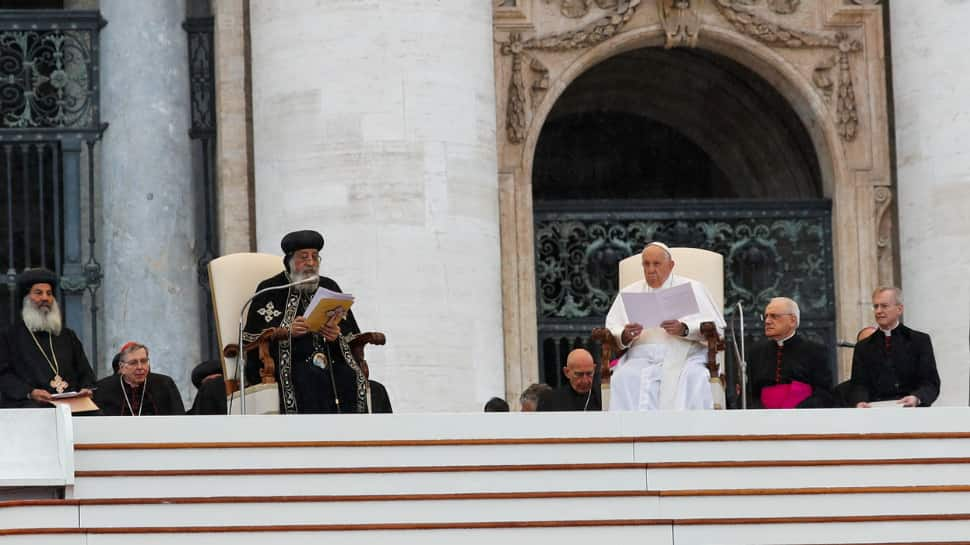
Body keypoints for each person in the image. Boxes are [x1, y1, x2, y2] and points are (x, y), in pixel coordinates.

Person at [243, 230, 367, 414]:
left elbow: (351, 333)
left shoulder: (329, 286)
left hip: (330, 361)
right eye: (304, 257)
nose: (311, 263)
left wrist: (336, 335)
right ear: (290, 261)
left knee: (364, 383)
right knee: (309, 377)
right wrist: (286, 331)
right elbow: (249, 337)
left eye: (315, 257)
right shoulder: (270, 289)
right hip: (289, 364)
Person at [605, 242, 725, 411]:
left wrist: (684, 329)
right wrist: (625, 335)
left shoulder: (692, 288)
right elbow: (611, 329)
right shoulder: (629, 292)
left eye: (656, 264)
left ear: (671, 265)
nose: (651, 269)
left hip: (686, 354)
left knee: (696, 377)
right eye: (646, 264)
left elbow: (716, 327)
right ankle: (632, 434)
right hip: (641, 357)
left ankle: (691, 433)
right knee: (622, 378)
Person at [0, 268, 95, 408]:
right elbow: (4, 375)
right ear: (26, 298)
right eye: (38, 293)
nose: (45, 298)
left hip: (70, 404)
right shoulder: (9, 336)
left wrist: (86, 388)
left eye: (49, 293)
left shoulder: (67, 336)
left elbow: (85, 372)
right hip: (29, 404)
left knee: (96, 414)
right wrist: (30, 392)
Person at [849, 287, 940, 407]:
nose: (878, 311)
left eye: (884, 306)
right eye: (876, 306)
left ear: (899, 309)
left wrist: (917, 397)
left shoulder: (919, 341)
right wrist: (860, 401)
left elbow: (930, 383)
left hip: (913, 413)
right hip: (875, 413)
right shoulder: (863, 347)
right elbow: (858, 385)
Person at [746, 297, 833, 409]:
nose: (767, 321)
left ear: (792, 320)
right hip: (764, 419)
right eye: (766, 316)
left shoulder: (815, 351)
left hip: (803, 418)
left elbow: (824, 393)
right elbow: (749, 393)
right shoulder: (756, 352)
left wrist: (796, 411)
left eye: (774, 316)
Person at [94, 342, 185, 416]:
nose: (140, 367)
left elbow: (179, 417)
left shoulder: (164, 384)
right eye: (133, 363)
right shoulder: (103, 388)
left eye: (144, 361)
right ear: (122, 367)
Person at [536, 348, 601, 411]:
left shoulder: (603, 398)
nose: (585, 380)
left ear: (594, 369)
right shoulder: (549, 401)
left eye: (589, 373)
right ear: (566, 372)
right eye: (579, 374)